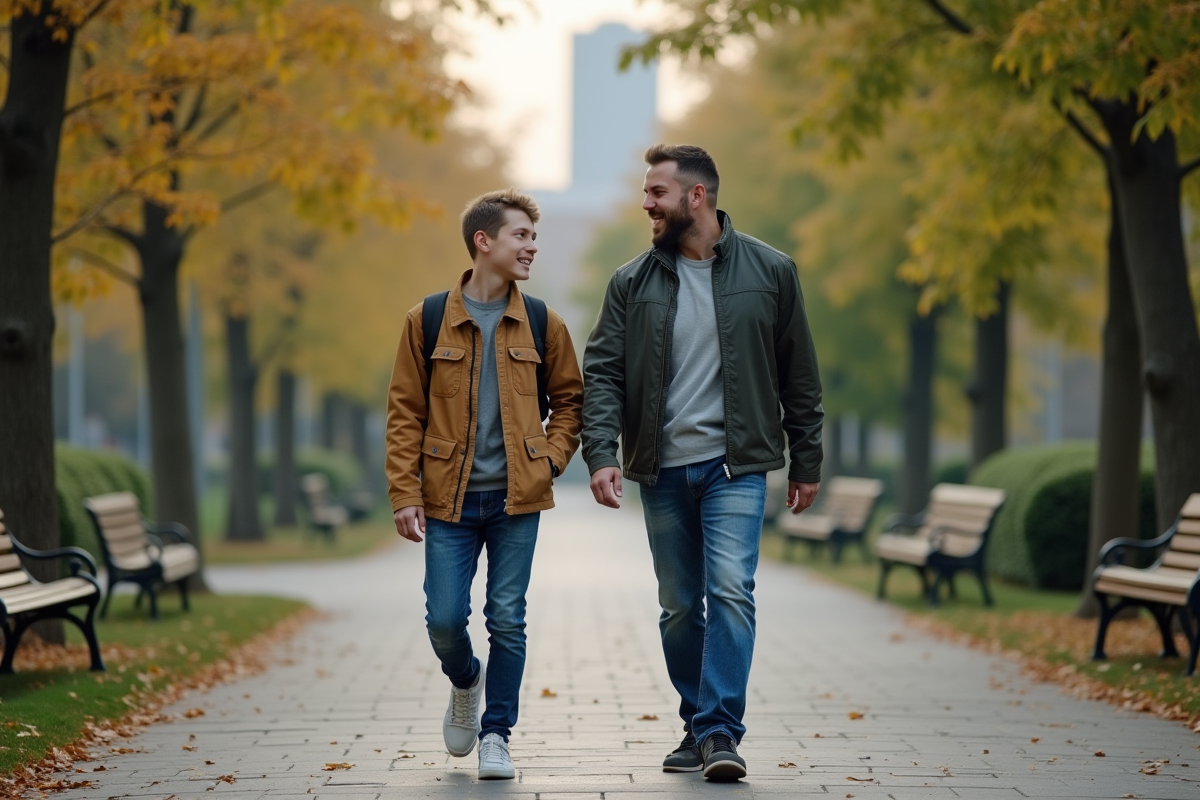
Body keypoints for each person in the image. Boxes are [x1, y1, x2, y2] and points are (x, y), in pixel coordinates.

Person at [582, 144, 823, 782]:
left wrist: (807, 459)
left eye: (657, 192)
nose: (646, 204)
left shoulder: (772, 270)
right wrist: (600, 453)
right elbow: (602, 372)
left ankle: (720, 731)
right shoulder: (631, 281)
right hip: (661, 469)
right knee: (681, 606)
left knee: (731, 592)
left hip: (736, 466)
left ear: (697, 197)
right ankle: (697, 720)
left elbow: (800, 374)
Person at [385, 188, 584, 781]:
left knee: (507, 618)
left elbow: (572, 402)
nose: (532, 247)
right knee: (444, 619)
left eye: (533, 236)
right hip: (448, 498)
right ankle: (465, 679)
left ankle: (497, 734)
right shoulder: (425, 319)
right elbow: (404, 413)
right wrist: (404, 491)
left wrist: (548, 461)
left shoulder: (544, 321)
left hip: (517, 499)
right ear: (484, 242)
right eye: (521, 236)